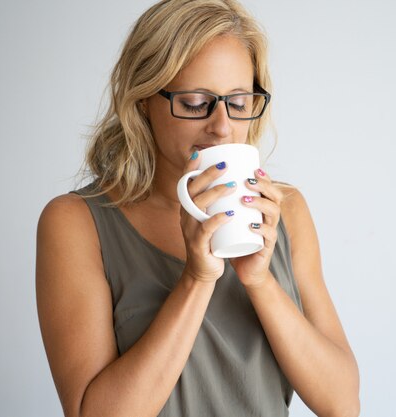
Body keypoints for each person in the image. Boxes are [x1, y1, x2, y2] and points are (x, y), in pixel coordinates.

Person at [36, 1, 360, 416]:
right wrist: (196, 279)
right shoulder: (77, 223)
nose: (222, 126)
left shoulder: (286, 211)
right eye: (194, 102)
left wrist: (260, 281)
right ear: (141, 104)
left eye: (239, 102)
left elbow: (343, 403)